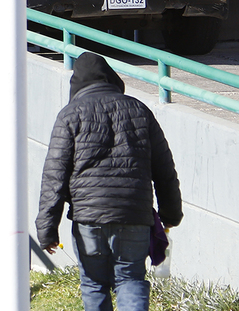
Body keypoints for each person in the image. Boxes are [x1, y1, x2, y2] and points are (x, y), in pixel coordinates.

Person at [37, 52, 183, 311]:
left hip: (88, 217)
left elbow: (54, 176)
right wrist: (170, 213)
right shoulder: (139, 110)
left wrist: (47, 228)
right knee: (131, 279)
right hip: (134, 214)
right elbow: (164, 168)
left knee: (94, 283)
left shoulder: (69, 115)